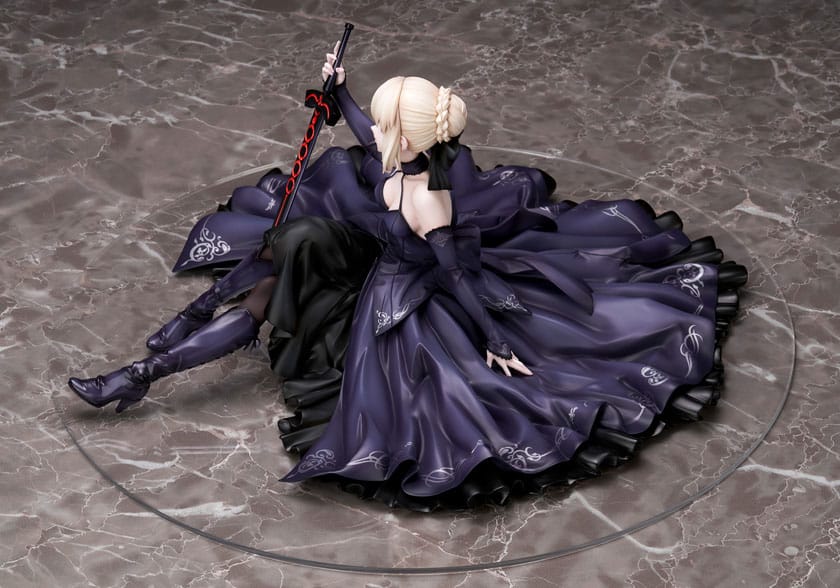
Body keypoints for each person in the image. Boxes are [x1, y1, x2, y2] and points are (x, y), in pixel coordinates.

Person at [68, 46, 746, 511]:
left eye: (389, 122)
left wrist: (494, 341)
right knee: (290, 244)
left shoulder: (428, 202)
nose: (377, 131)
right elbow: (363, 128)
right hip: (368, 256)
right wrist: (339, 88)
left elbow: (457, 278)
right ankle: (162, 351)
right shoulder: (401, 159)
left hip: (396, 298)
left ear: (411, 136)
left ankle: (140, 375)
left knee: (270, 291)